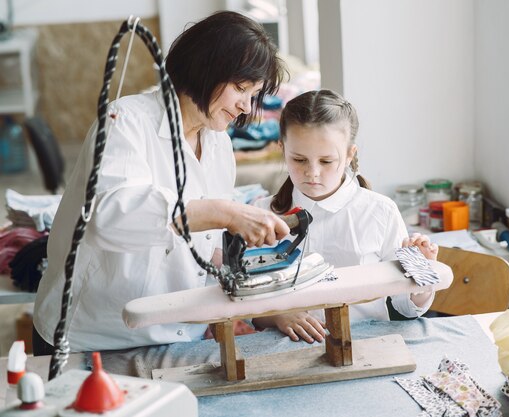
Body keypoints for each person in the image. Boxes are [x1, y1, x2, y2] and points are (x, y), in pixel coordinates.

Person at [33, 11, 290, 354]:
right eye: (241, 89)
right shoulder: (126, 122)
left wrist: (267, 299)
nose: (246, 106)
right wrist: (225, 212)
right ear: (205, 69)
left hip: (179, 334)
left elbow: (201, 247)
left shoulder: (218, 144)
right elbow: (110, 218)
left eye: (253, 94)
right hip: (94, 337)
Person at [252, 89, 453, 343]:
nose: (312, 173)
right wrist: (279, 315)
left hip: (365, 346)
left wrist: (422, 273)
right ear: (282, 149)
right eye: (299, 159)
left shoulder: (380, 211)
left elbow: (407, 308)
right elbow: (246, 303)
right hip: (283, 349)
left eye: (326, 161)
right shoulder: (261, 213)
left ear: (349, 154)